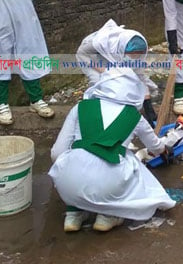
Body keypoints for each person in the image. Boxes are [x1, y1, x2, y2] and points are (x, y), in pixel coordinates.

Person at [49, 68, 175, 232]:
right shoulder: (134, 116)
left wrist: (72, 167)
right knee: (131, 159)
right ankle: (109, 215)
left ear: (103, 84)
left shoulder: (80, 107)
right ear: (132, 89)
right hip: (108, 185)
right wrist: (164, 151)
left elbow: (56, 153)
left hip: (67, 186)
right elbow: (156, 147)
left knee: (75, 160)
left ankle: (73, 214)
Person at [76, 18, 158, 125]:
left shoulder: (130, 47)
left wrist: (147, 91)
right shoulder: (100, 42)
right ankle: (96, 113)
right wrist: (102, 70)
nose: (135, 58)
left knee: (127, 79)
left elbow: (138, 75)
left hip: (111, 56)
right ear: (124, 49)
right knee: (100, 81)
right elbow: (81, 53)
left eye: (138, 56)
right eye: (132, 56)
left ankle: (151, 118)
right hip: (89, 57)